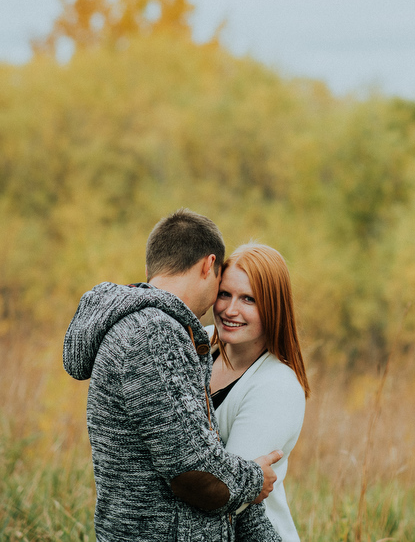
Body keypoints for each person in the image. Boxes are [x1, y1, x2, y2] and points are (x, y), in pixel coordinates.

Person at [63, 209, 284, 542]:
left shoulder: (149, 328)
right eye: (222, 286)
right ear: (209, 265)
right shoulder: (154, 334)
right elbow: (191, 470)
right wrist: (255, 479)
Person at [206, 243, 310, 542]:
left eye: (248, 299)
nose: (230, 309)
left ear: (273, 308)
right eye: (224, 294)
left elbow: (227, 492)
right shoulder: (202, 342)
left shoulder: (277, 386)